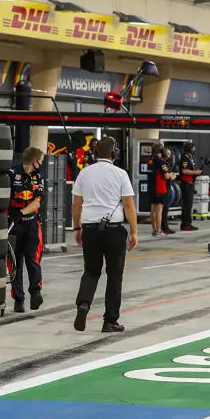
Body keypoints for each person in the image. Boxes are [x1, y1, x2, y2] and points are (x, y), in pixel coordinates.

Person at [72, 136, 138, 333]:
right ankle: (110, 320)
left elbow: (77, 203)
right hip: (113, 231)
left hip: (90, 229)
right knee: (114, 276)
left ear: (95, 153)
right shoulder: (120, 174)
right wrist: (134, 231)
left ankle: (84, 304)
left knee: (91, 271)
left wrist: (77, 228)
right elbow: (128, 204)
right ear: (114, 154)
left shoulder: (84, 173)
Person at [8, 146, 45, 314]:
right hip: (14, 226)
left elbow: (37, 202)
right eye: (41, 160)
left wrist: (22, 212)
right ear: (34, 160)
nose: (42, 164)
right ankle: (18, 300)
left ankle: (35, 293)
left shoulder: (38, 177)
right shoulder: (11, 174)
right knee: (15, 263)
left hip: (31, 223)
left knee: (33, 259)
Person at [147, 143, 171, 237]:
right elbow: (166, 176)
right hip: (160, 188)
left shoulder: (150, 160)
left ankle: (154, 229)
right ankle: (159, 230)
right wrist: (172, 175)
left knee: (152, 209)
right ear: (161, 151)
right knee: (159, 209)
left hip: (151, 187)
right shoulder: (161, 162)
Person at [178, 142, 201, 231]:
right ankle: (185, 224)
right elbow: (184, 171)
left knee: (189, 204)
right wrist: (195, 173)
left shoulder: (189, 158)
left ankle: (188, 223)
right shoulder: (185, 159)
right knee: (187, 205)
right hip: (186, 183)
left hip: (190, 183)